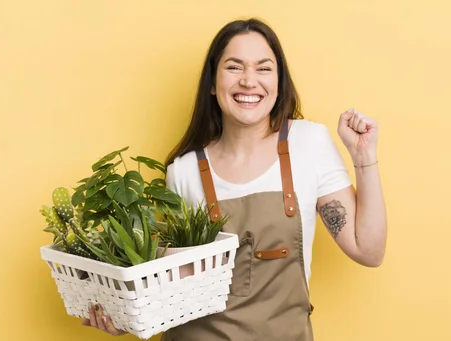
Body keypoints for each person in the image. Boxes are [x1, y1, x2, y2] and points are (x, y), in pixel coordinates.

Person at [82, 18, 387, 340]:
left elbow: (368, 251)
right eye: (234, 67)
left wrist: (363, 157)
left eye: (264, 68)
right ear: (212, 83)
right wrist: (127, 317)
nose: (249, 81)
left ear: (280, 81)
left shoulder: (308, 143)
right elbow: (177, 283)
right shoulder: (183, 170)